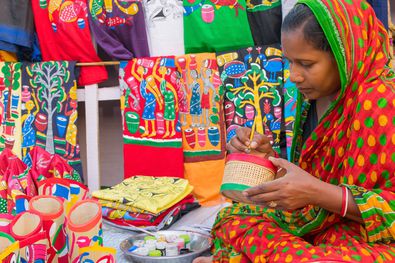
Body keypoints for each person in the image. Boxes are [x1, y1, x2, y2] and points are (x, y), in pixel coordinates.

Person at [193, 0, 395, 262]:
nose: (294, 75)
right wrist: (268, 160)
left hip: (372, 238)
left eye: (306, 64)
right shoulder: (313, 95)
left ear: (345, 53)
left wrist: (315, 193)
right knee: (232, 218)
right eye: (289, 62)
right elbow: (314, 176)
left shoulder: (382, 102)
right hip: (319, 223)